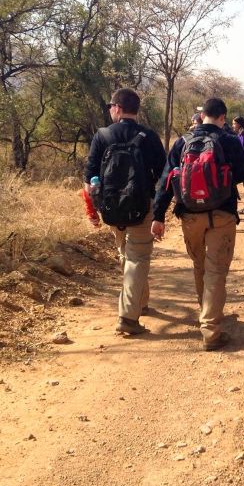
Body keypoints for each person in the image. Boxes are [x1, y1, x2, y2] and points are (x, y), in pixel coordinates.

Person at [152, 97, 244, 351]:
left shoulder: (183, 141)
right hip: (222, 213)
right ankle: (210, 327)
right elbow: (242, 174)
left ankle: (206, 310)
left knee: (199, 265)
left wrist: (158, 215)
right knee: (216, 269)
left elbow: (167, 179)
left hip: (190, 214)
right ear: (222, 117)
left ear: (202, 115)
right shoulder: (229, 140)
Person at [84, 88, 166, 335]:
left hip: (111, 209)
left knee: (126, 255)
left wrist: (94, 210)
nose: (110, 109)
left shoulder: (102, 135)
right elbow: (164, 175)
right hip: (142, 208)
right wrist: (160, 209)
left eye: (111, 106)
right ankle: (129, 318)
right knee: (137, 259)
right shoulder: (149, 136)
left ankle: (139, 302)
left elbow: (89, 179)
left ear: (118, 108)